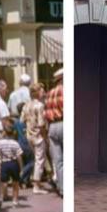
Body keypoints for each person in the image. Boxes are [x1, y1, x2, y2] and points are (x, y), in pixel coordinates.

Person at [21, 83, 48, 194]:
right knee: (39, 160)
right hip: (38, 136)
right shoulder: (40, 106)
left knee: (36, 159)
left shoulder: (26, 105)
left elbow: (21, 120)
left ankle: (35, 180)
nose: (43, 92)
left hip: (29, 135)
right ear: (37, 93)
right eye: (41, 91)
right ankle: (36, 186)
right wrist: (45, 136)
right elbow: (41, 124)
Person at [0, 126, 23, 207]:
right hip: (13, 163)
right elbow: (19, 156)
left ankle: (1, 197)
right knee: (15, 183)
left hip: (4, 162)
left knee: (4, 182)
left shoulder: (0, 143)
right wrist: (21, 167)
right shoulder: (15, 143)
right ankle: (15, 200)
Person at [46, 68, 63, 197]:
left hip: (52, 125)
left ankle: (62, 188)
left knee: (58, 161)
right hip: (63, 122)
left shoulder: (50, 92)